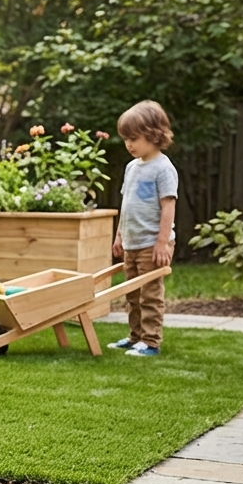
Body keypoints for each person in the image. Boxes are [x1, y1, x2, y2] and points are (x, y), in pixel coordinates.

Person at [108, 100, 178, 358]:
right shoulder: (131, 168)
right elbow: (126, 205)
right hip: (132, 242)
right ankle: (135, 337)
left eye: (133, 138)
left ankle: (150, 341)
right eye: (125, 138)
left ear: (153, 134)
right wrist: (119, 236)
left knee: (150, 294)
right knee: (133, 294)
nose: (129, 144)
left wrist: (162, 243)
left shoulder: (163, 168)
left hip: (152, 244)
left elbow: (168, 208)